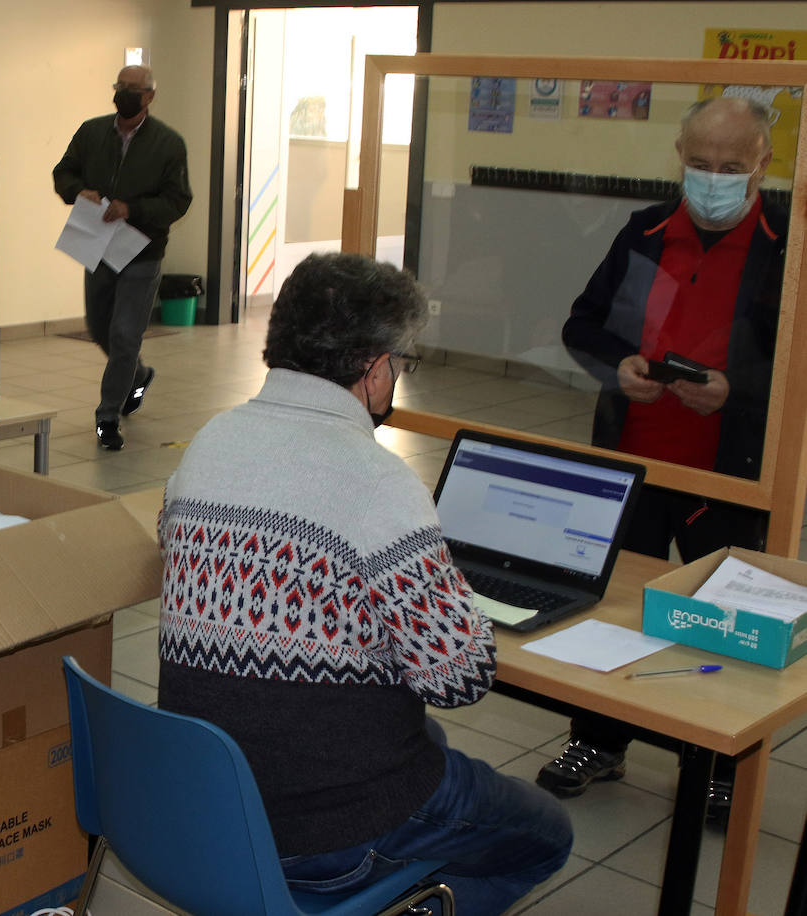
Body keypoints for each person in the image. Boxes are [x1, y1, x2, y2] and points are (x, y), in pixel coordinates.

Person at [157, 252, 573, 916]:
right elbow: (458, 679)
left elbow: (193, 558)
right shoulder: (380, 484)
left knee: (421, 744)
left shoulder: (210, 443)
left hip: (209, 806)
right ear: (376, 369)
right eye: (401, 365)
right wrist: (444, 586)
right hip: (326, 834)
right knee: (545, 833)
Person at [549, 96, 786, 825]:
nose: (714, 179)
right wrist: (617, 364)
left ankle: (717, 764)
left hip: (729, 472)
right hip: (634, 463)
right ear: (679, 156)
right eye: (701, 164)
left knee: (721, 618)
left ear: (762, 165)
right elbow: (581, 323)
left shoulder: (790, 246)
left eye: (732, 168)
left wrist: (737, 394)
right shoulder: (644, 231)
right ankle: (600, 739)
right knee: (614, 609)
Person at [53, 64, 192, 451]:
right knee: (99, 327)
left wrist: (133, 209)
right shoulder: (91, 132)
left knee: (125, 334)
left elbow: (178, 200)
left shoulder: (169, 143)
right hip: (97, 246)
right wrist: (80, 191)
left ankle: (107, 417)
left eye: (134, 89)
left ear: (149, 96)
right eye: (120, 87)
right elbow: (63, 173)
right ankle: (139, 374)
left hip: (142, 252)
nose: (125, 94)